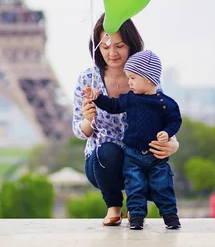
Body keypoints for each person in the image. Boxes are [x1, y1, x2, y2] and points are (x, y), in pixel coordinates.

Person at [72, 13, 180, 227]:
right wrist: (88, 119)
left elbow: (162, 113)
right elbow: (78, 129)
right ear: (96, 47)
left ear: (131, 44)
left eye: (120, 46)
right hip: (103, 163)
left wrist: (173, 144)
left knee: (158, 171)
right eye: (105, 47)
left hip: (140, 156)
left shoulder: (148, 76)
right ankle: (114, 208)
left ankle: (138, 207)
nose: (112, 53)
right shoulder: (88, 78)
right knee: (108, 150)